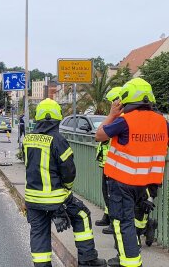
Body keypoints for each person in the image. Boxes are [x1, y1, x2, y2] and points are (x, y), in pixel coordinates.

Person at [23, 98, 106, 267]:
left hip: (33, 199)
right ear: (58, 118)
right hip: (57, 199)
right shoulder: (58, 139)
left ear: (38, 118)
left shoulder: (28, 139)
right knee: (82, 215)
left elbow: (29, 167)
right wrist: (67, 189)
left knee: (39, 232)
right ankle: (88, 259)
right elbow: (69, 171)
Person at [95, 78, 168, 267]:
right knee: (136, 222)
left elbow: (99, 135)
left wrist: (111, 114)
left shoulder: (125, 121)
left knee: (122, 223)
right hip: (147, 184)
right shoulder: (162, 122)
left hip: (122, 182)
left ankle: (130, 263)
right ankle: (126, 258)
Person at [95, 87, 122, 235]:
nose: (110, 104)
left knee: (113, 195)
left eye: (112, 101)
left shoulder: (120, 120)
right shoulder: (115, 118)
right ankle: (108, 216)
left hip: (114, 164)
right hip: (107, 163)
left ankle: (113, 222)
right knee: (107, 192)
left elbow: (100, 135)